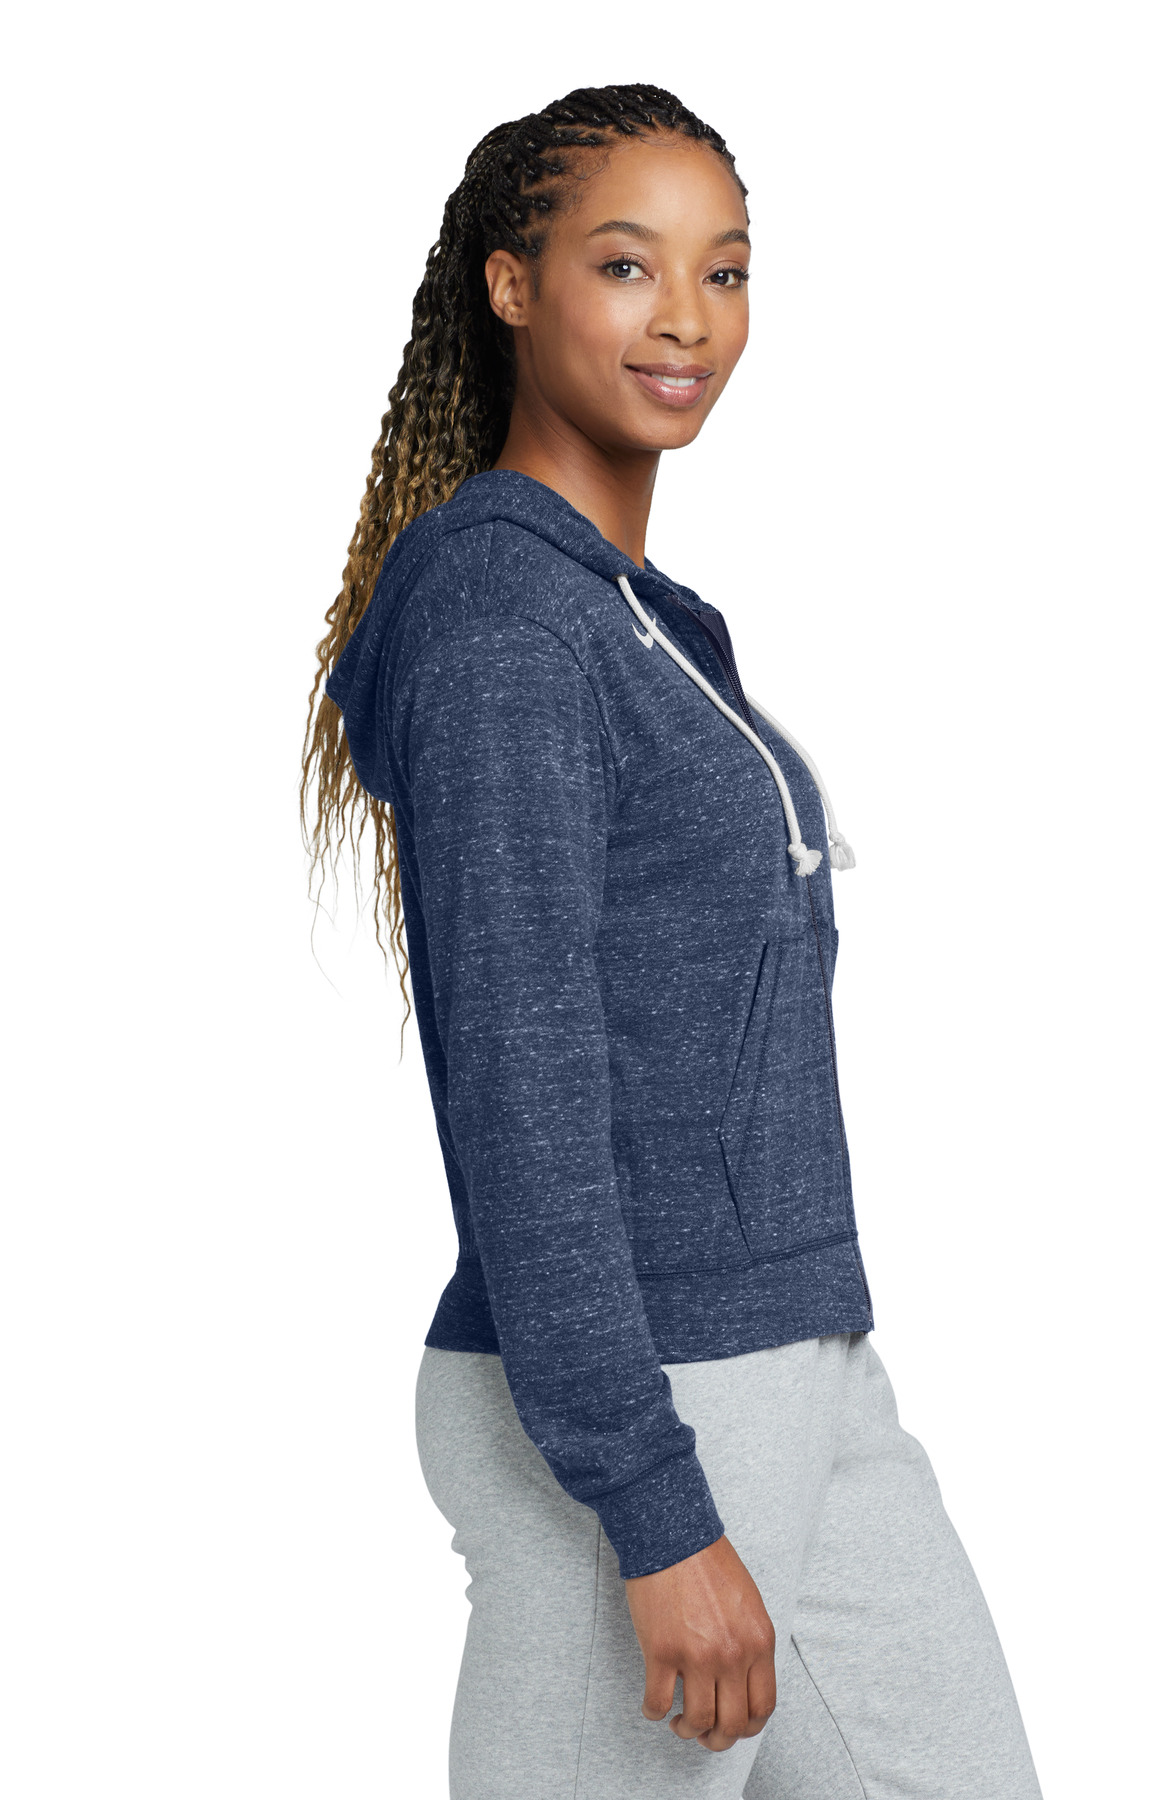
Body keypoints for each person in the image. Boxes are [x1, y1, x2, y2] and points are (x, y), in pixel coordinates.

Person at [302, 83, 1043, 1800]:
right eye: (628, 265)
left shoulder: (622, 618)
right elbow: (525, 1089)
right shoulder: (505, 628)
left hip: (794, 1358)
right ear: (512, 287)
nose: (688, 320)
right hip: (641, 1399)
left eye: (727, 271)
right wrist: (651, 1500)